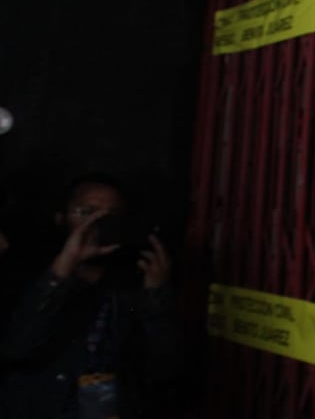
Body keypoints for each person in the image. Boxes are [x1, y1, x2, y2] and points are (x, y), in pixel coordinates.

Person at [0, 173, 180, 419]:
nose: (99, 222)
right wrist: (63, 269)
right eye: (87, 212)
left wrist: (157, 295)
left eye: (111, 215)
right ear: (60, 218)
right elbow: (17, 346)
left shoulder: (133, 281)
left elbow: (165, 369)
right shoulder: (27, 272)